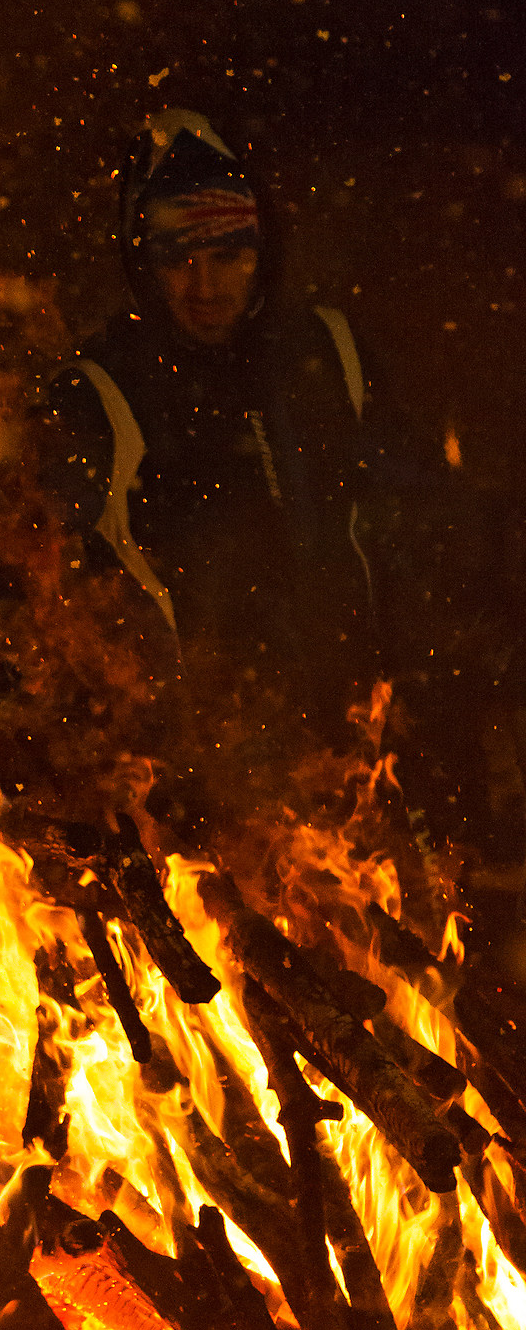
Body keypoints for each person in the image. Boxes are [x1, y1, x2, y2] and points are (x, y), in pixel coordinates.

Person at [31, 108, 487, 841]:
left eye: (229, 254)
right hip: (203, 794)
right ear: (142, 260)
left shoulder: (328, 353)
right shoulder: (102, 393)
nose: (204, 285)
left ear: (263, 251)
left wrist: (436, 700)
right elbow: (65, 602)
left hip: (354, 769)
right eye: (178, 257)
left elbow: (419, 529)